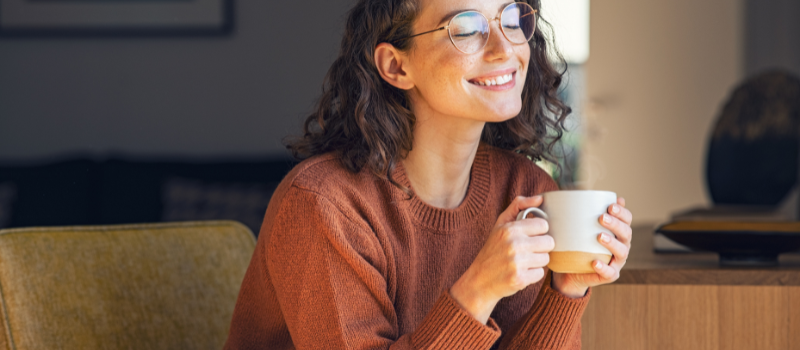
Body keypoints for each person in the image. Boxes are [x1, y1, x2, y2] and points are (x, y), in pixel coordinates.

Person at [225, 0, 633, 348]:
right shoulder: (324, 205)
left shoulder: (525, 190)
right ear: (396, 66)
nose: (503, 48)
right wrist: (478, 290)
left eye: (511, 19)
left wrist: (566, 289)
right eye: (466, 28)